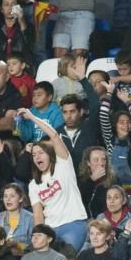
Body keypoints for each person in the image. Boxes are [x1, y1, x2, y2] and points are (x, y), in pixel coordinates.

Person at [23, 108, 89, 252]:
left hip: (74, 224)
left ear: (50, 154)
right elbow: (38, 215)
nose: (37, 157)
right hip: (50, 230)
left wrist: (32, 117)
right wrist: (38, 236)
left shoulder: (63, 164)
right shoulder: (33, 185)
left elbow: (53, 135)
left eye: (41, 153)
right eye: (34, 155)